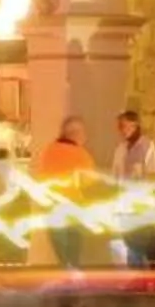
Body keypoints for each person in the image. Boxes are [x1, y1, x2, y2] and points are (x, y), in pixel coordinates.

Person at [33, 116, 96, 271]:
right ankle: (73, 277)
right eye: (82, 132)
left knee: (61, 253)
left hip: (53, 208)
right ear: (74, 134)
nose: (85, 136)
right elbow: (89, 183)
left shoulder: (49, 151)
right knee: (73, 251)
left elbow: (41, 178)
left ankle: (66, 273)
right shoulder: (81, 155)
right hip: (74, 208)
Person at [110, 109, 155, 268]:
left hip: (142, 202)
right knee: (130, 240)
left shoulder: (147, 146)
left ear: (135, 125)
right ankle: (135, 274)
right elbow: (115, 175)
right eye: (120, 127)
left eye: (125, 126)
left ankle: (149, 272)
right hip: (125, 203)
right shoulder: (120, 149)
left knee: (143, 239)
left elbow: (154, 173)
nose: (122, 130)